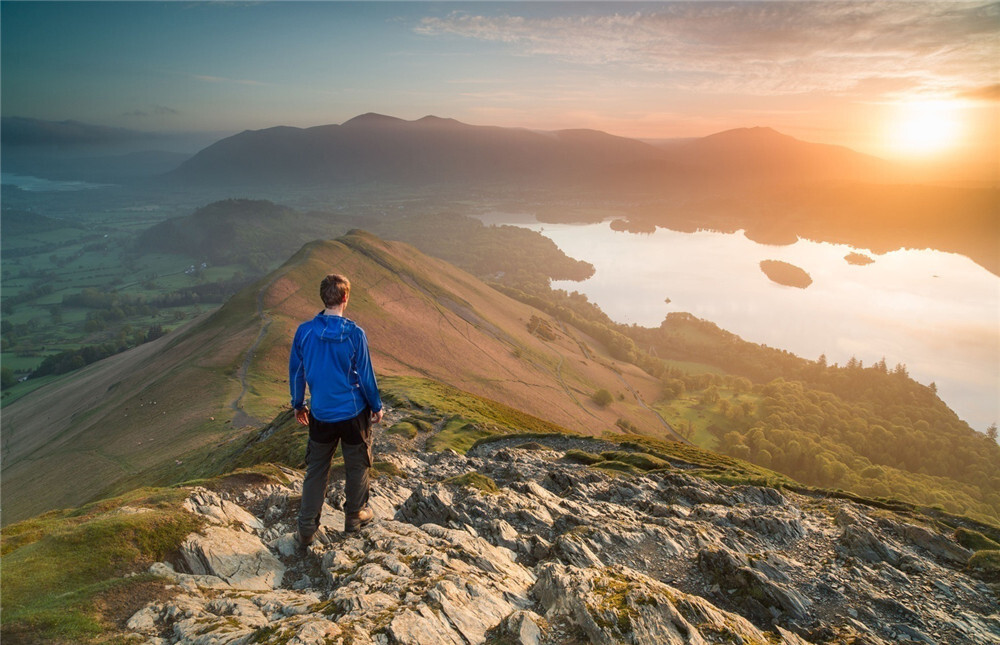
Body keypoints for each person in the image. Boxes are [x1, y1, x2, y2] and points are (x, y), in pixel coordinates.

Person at [289, 273, 383, 545]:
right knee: (357, 465)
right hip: (353, 413)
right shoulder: (355, 333)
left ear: (324, 297)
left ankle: (306, 528)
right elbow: (365, 376)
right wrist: (376, 406)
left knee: (316, 469)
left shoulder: (304, 332)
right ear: (345, 298)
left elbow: (297, 372)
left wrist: (298, 404)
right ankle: (354, 516)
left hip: (320, 413)